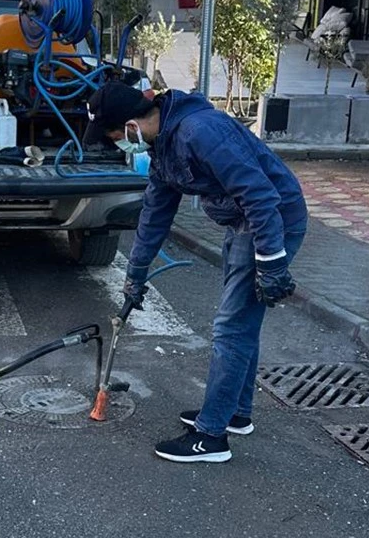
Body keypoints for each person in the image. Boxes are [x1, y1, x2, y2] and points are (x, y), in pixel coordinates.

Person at [83, 84, 307, 463]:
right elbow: (154, 214)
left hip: (270, 222)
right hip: (243, 223)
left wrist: (271, 261)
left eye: (117, 137)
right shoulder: (165, 145)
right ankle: (235, 412)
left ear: (132, 125)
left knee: (232, 327)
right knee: (242, 322)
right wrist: (135, 275)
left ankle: (211, 437)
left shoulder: (199, 131)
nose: (121, 145)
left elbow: (260, 194)